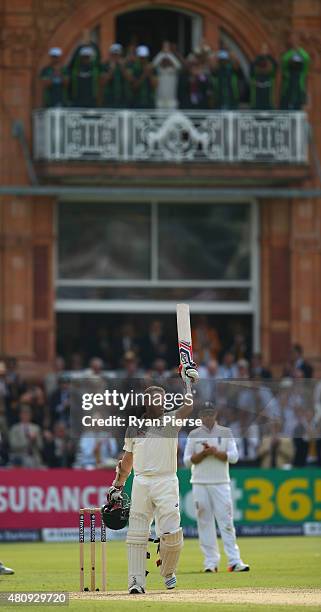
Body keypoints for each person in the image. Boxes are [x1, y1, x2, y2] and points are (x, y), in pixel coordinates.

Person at [107, 362, 199, 594]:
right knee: (137, 534)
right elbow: (127, 461)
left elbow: (188, 407)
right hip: (141, 482)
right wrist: (117, 484)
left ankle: (168, 572)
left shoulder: (171, 422)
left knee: (171, 534)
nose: (160, 403)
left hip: (167, 481)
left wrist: (189, 383)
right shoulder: (134, 428)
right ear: (146, 403)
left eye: (162, 399)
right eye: (155, 400)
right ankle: (136, 583)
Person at [183, 403, 249, 573]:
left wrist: (216, 452)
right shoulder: (194, 434)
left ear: (216, 414)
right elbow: (187, 460)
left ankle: (234, 561)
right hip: (199, 483)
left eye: (210, 414)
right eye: (204, 414)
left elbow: (234, 457)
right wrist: (205, 454)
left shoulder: (226, 433)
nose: (208, 417)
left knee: (226, 521)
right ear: (200, 416)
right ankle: (210, 562)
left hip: (221, 483)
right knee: (204, 522)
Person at [280, 35, 310, 110]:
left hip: (298, 81)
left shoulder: (302, 54)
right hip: (289, 81)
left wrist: (299, 50)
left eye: (296, 41)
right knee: (286, 101)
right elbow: (284, 59)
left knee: (298, 103)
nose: (295, 43)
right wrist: (293, 51)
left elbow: (306, 59)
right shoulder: (289, 53)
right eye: (293, 41)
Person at [153, 42, 181, 109]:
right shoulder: (159, 69)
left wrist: (169, 54)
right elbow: (154, 64)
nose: (166, 61)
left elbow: (178, 66)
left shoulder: (173, 70)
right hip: (160, 98)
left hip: (171, 98)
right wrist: (162, 53)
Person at [250, 44, 277, 110]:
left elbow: (275, 67)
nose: (264, 51)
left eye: (265, 49)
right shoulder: (256, 61)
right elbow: (252, 71)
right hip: (257, 97)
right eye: (262, 49)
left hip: (268, 97)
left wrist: (268, 57)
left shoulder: (271, 62)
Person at [101, 43, 127, 108]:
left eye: (117, 55)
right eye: (113, 54)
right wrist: (111, 70)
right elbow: (103, 82)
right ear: (110, 54)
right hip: (109, 100)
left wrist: (122, 68)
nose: (115, 57)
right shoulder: (105, 65)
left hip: (123, 99)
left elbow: (130, 80)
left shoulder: (125, 65)